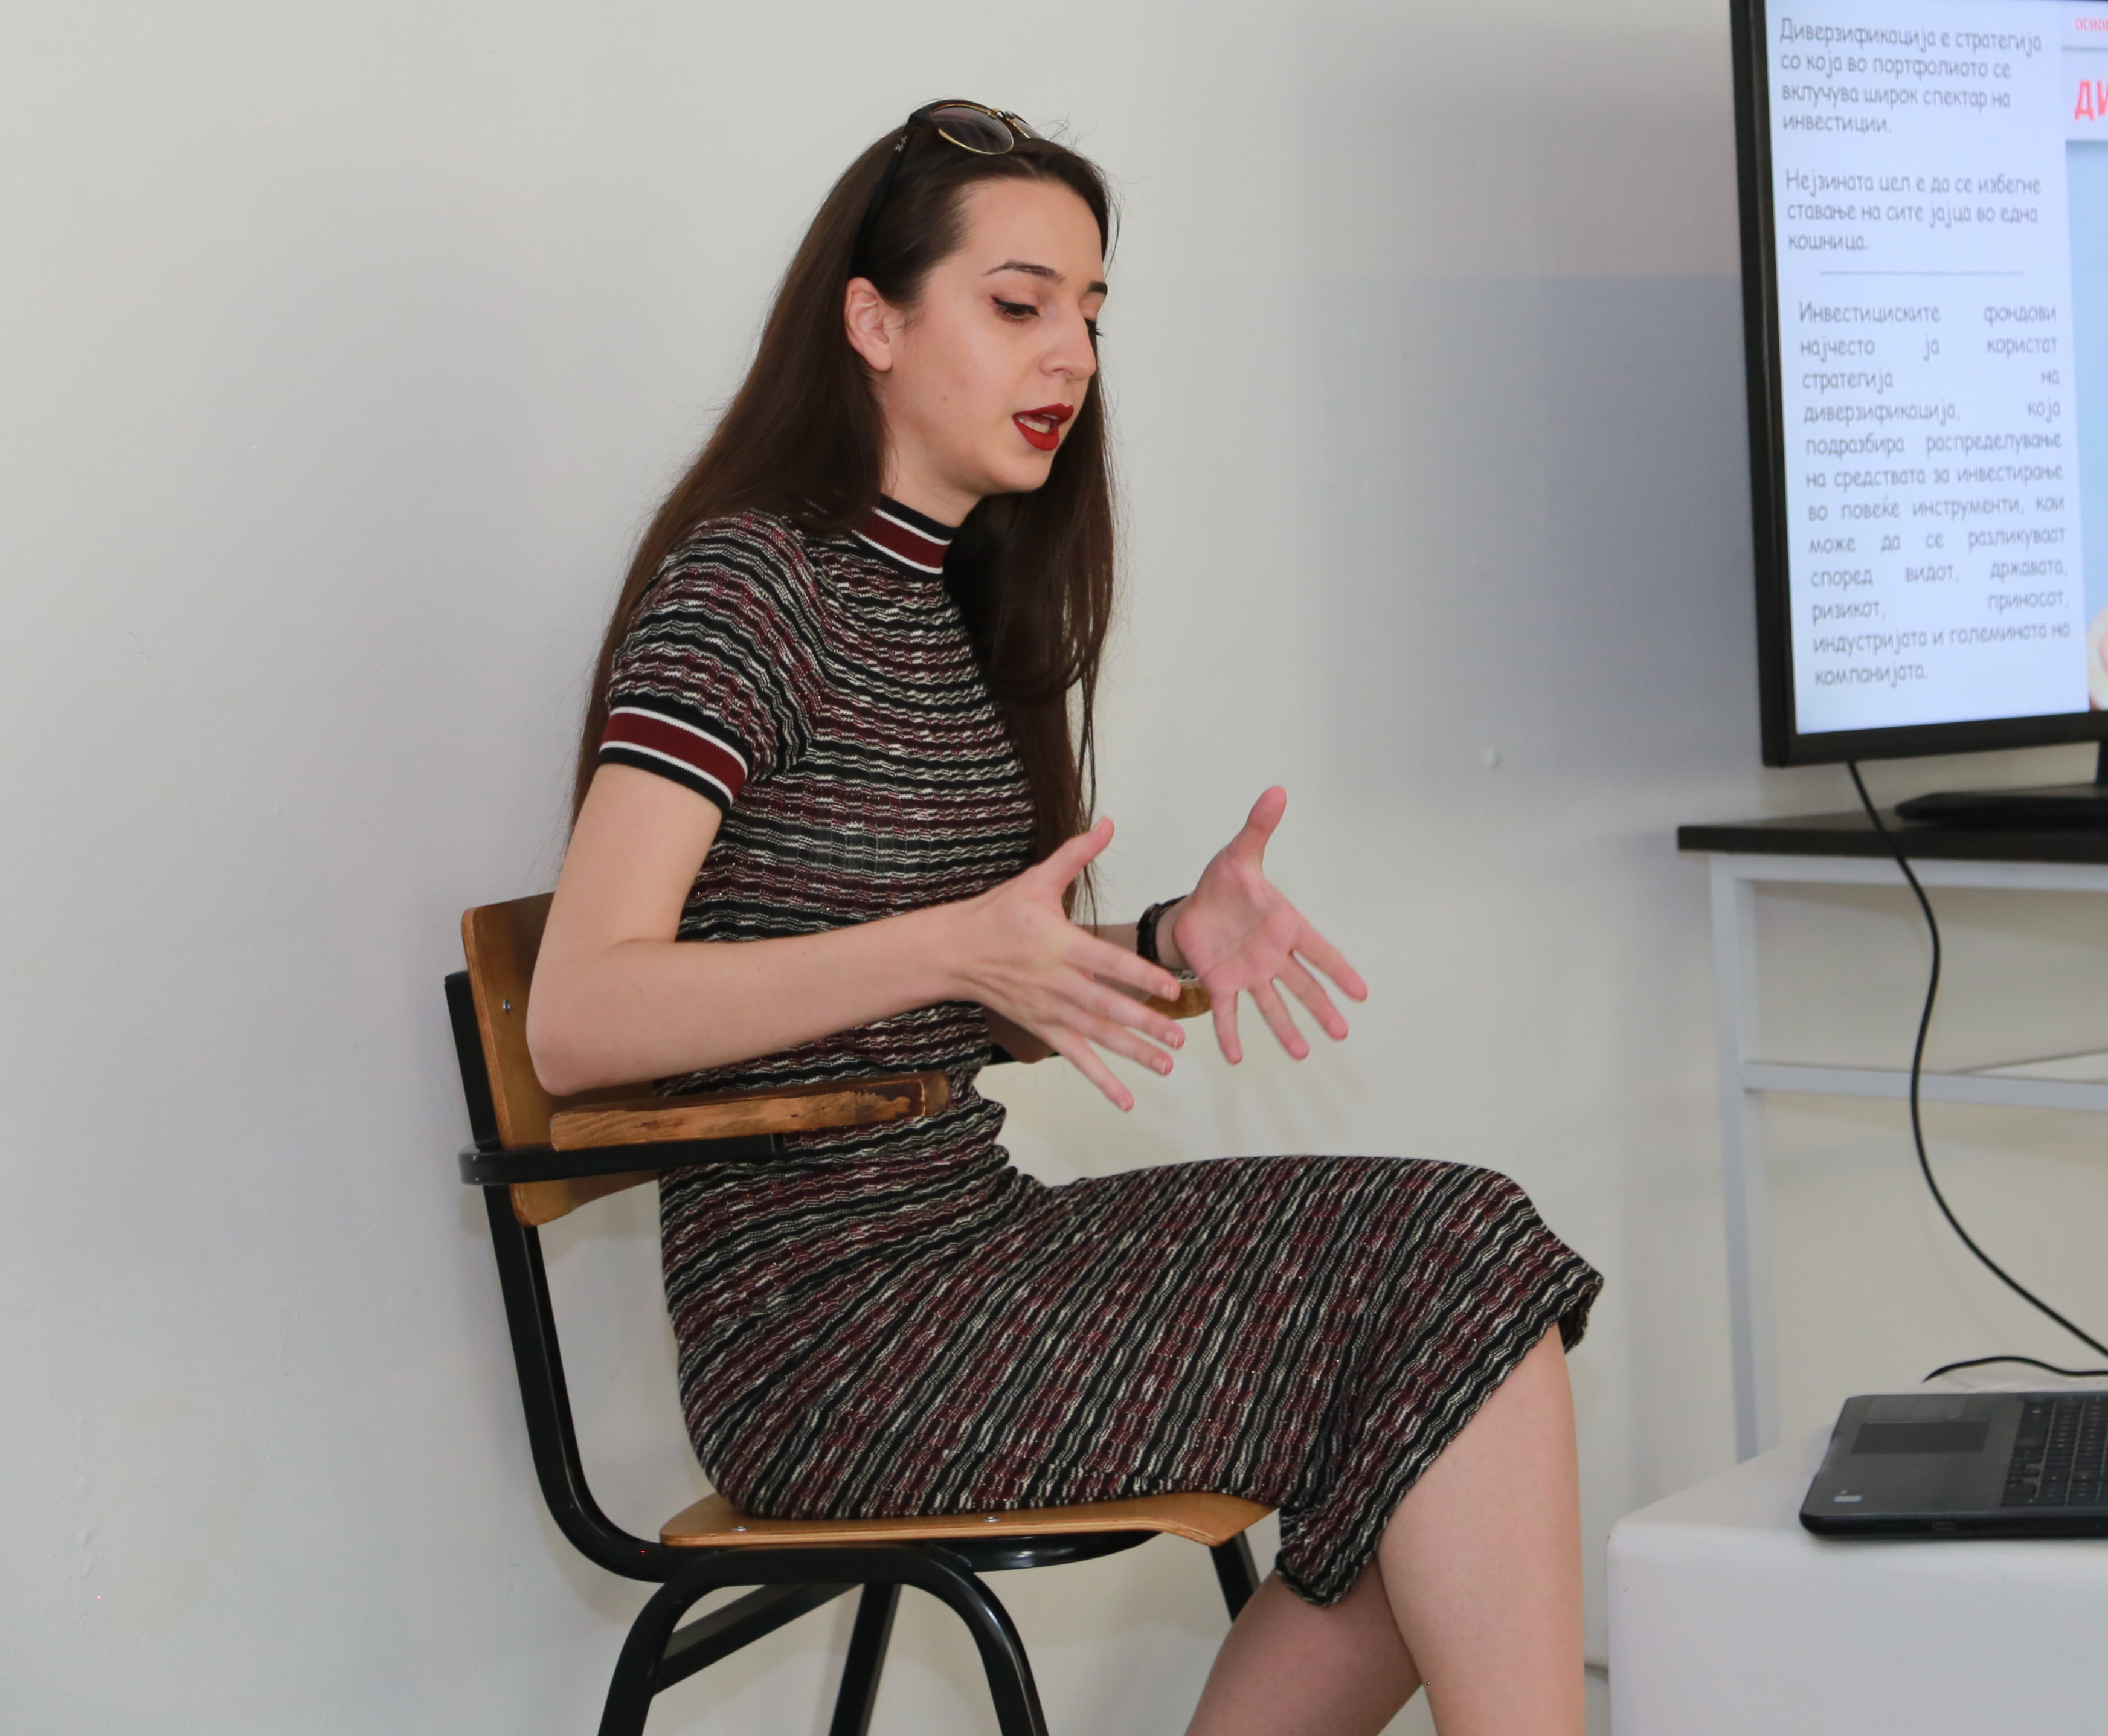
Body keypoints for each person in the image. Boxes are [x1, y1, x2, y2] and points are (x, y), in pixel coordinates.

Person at [527, 102, 1599, 1736]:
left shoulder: (944, 603)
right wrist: (951, 946)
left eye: (1093, 313)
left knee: (1463, 1298)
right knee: (1453, 1280)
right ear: (874, 323)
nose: (1072, 355)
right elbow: (578, 1017)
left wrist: (1160, 948)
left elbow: (962, 980)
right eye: (1019, 304)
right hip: (825, 1342)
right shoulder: (747, 590)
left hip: (965, 1242)